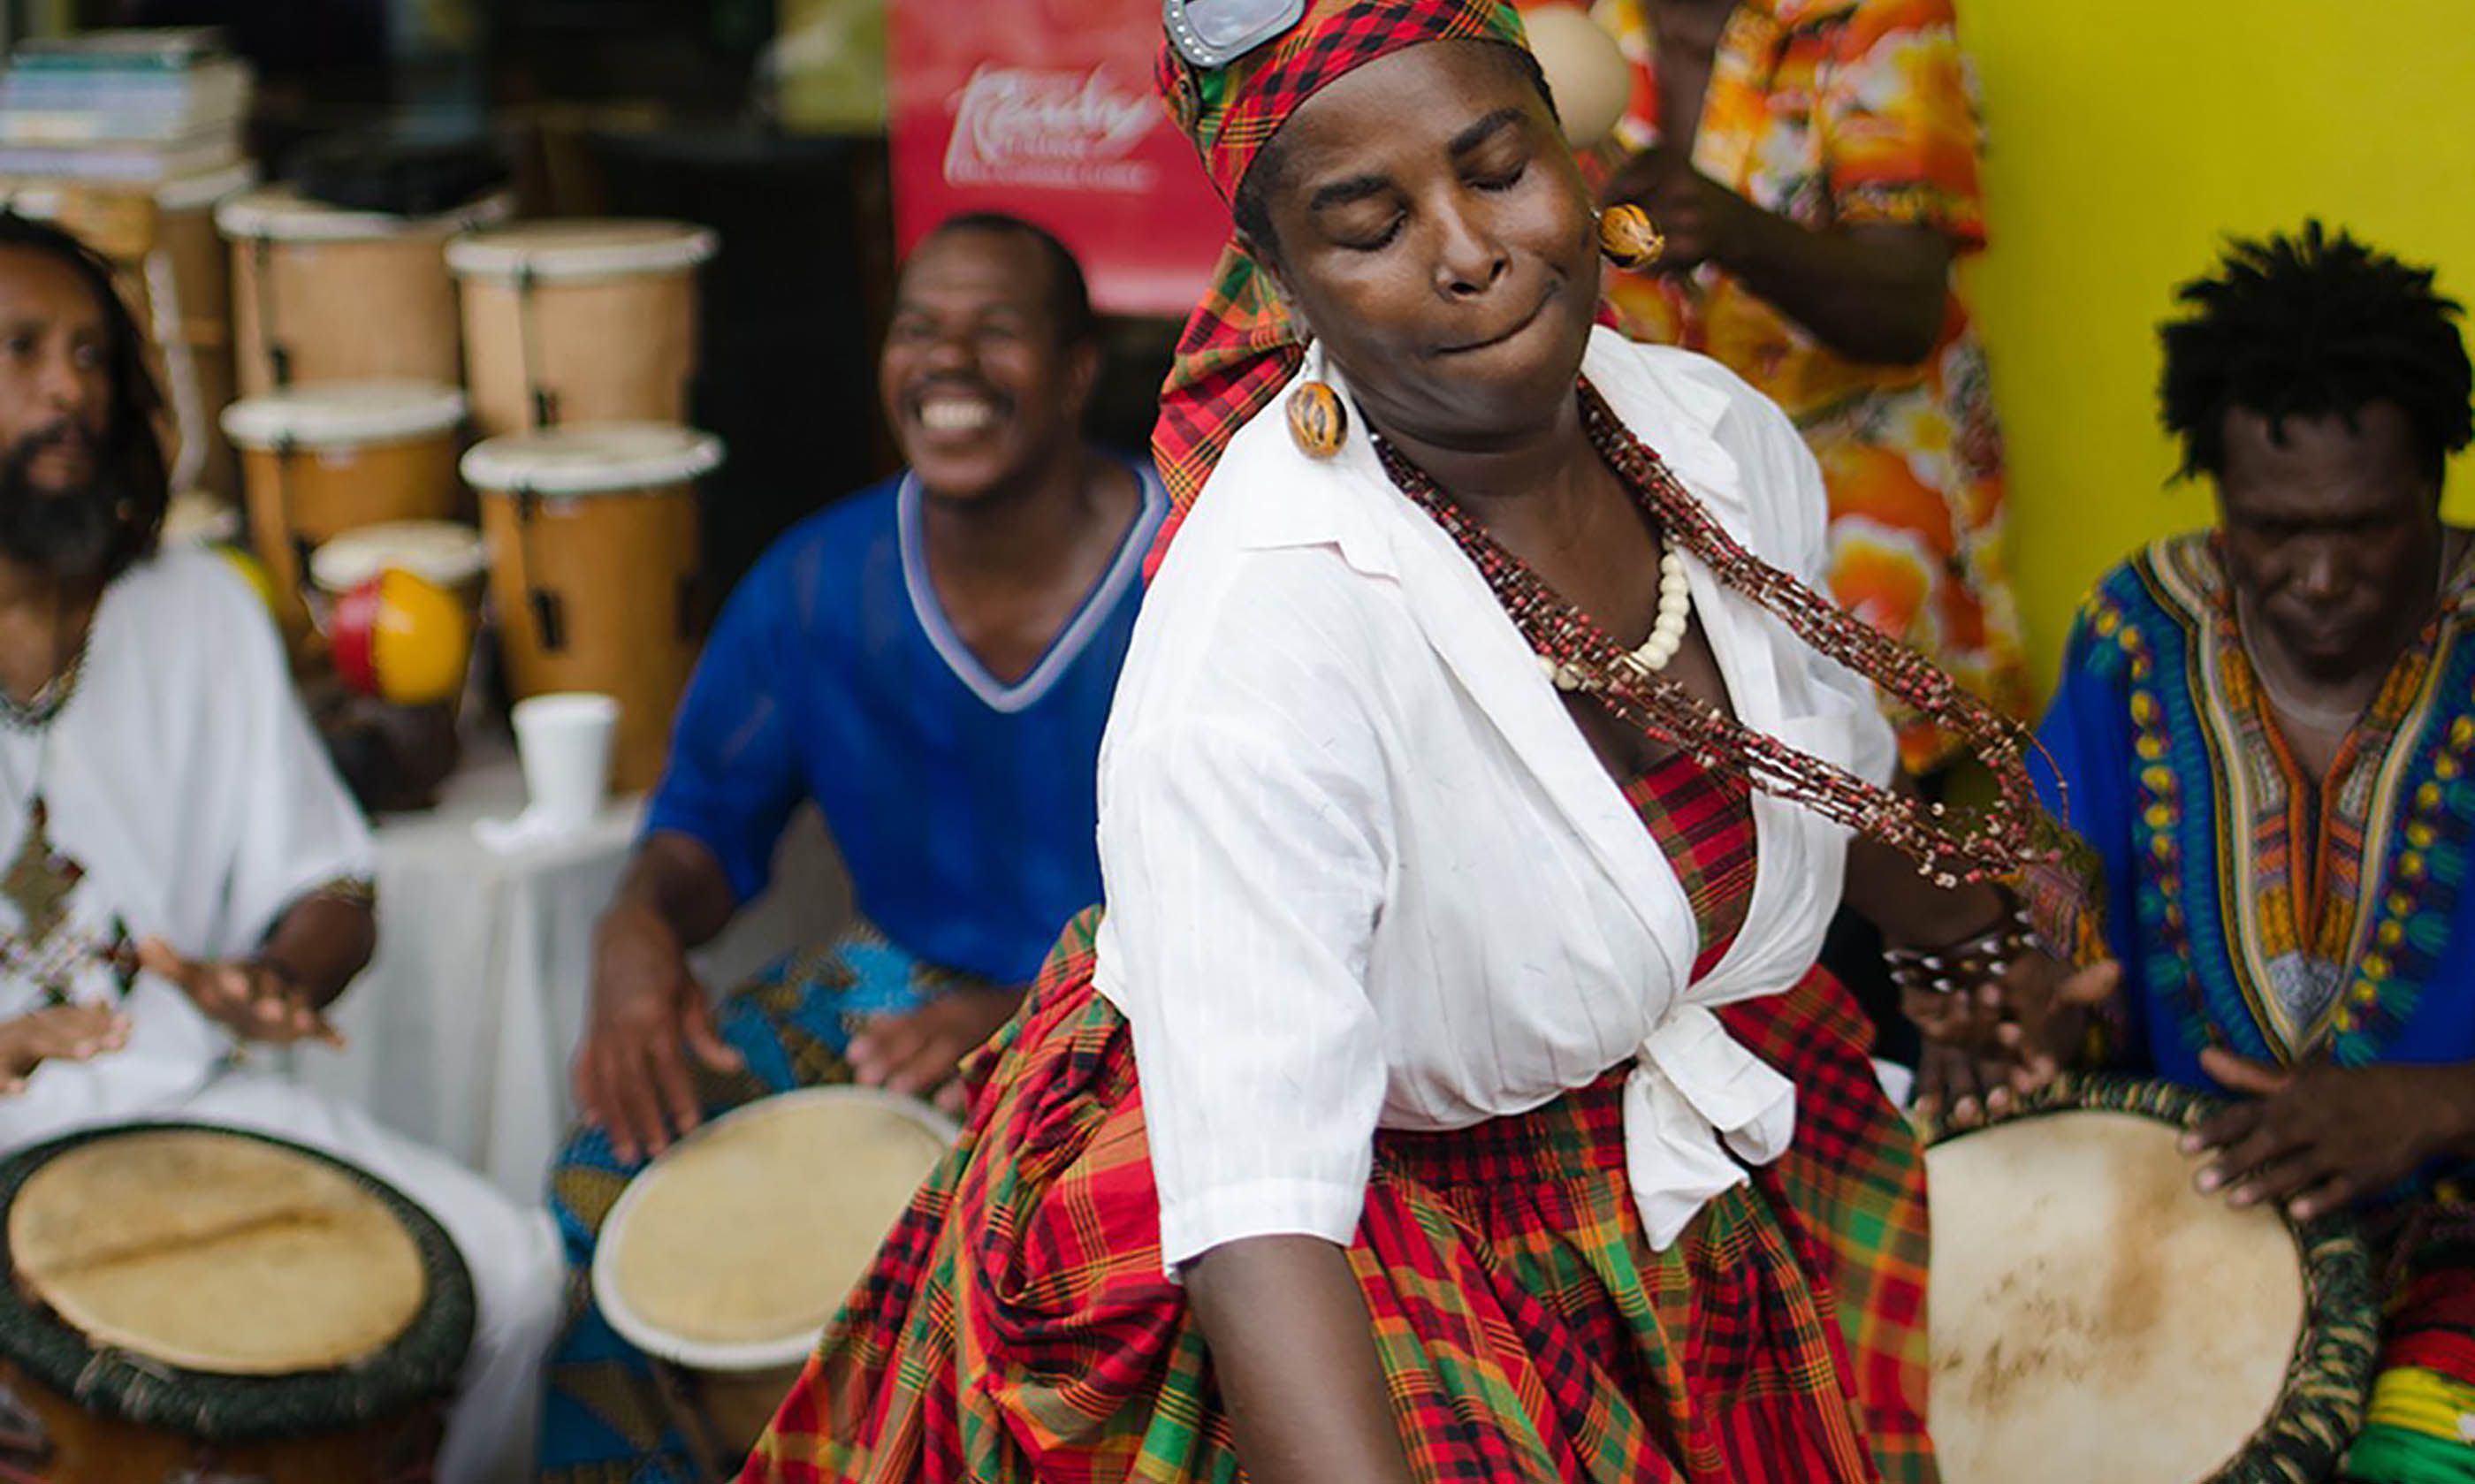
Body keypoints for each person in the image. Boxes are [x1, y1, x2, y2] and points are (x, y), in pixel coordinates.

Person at [744, 4, 2097, 1480]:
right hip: (1365, 1259)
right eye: (1370, 224)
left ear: (1576, 158)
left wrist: (1964, 942)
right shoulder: (1266, 626)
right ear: (1282, 279)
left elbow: (1806, 752)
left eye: (1499, 169)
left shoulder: (1711, 437)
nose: (1468, 250)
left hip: (1658, 1181)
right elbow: (1260, 1209)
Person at [537, 212, 1166, 1480]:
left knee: (1022, 1246)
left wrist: (1039, 1005)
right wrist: (637, 923)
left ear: (1077, 369)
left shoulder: (1193, 565)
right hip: (901, 987)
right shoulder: (819, 579)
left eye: (997, 329)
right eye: (918, 328)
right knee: (610, 1175)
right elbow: (702, 828)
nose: (949, 362)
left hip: (1154, 1007)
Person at [0, 211, 558, 1480]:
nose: (68, 389)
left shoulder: (196, 607)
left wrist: (275, 978)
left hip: (197, 1099)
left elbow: (332, 886)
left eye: (90, 356)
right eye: (20, 349)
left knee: (515, 1278)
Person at [1939, 224, 2475, 1484]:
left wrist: (2438, 1101)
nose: (2320, 576)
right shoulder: (2140, 629)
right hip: (2191, 1211)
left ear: (2436, 480)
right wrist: (2028, 998)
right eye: (2272, 530)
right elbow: (2050, 906)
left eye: (2367, 526)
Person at [1588, 0, 2030, 775]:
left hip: (1860, 526)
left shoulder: (1876, 18)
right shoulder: (1569, 25)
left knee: (1882, 806)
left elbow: (1905, 312)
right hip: (1657, 527)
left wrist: (1734, 229)